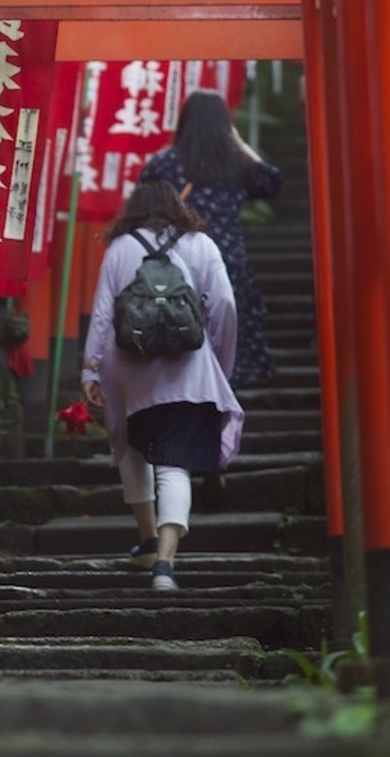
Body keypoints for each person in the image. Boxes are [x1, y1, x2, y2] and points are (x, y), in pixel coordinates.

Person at [80, 178, 243, 593]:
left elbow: (102, 315)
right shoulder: (201, 245)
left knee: (133, 448)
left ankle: (147, 539)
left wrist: (90, 370)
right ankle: (165, 565)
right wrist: (218, 361)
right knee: (174, 466)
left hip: (128, 369)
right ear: (176, 207)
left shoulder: (119, 247)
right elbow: (223, 303)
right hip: (187, 368)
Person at [138, 88, 282, 387]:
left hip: (175, 265)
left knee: (177, 345)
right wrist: (239, 142)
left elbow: (142, 207)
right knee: (227, 350)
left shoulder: (164, 164)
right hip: (227, 262)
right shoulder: (237, 165)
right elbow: (271, 182)